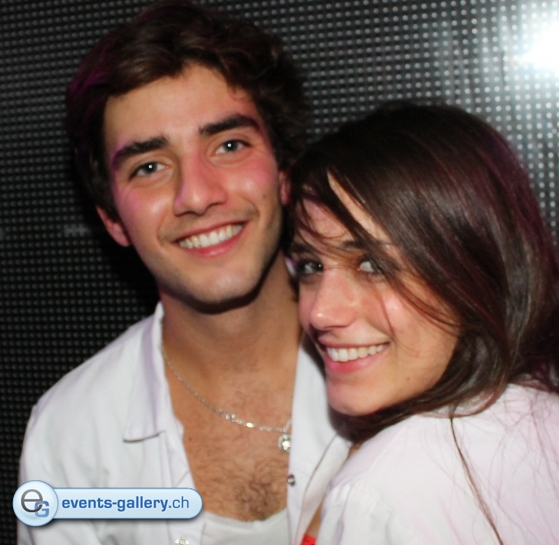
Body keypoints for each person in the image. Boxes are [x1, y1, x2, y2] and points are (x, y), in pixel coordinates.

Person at [18, 2, 348, 544]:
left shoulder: (406, 358)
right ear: (112, 219)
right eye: (149, 167)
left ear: (285, 173)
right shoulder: (70, 436)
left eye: (229, 145)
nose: (196, 195)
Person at [288, 102, 559, 544]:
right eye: (311, 266)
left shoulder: (385, 492)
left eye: (372, 265)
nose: (320, 312)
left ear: (474, 269)